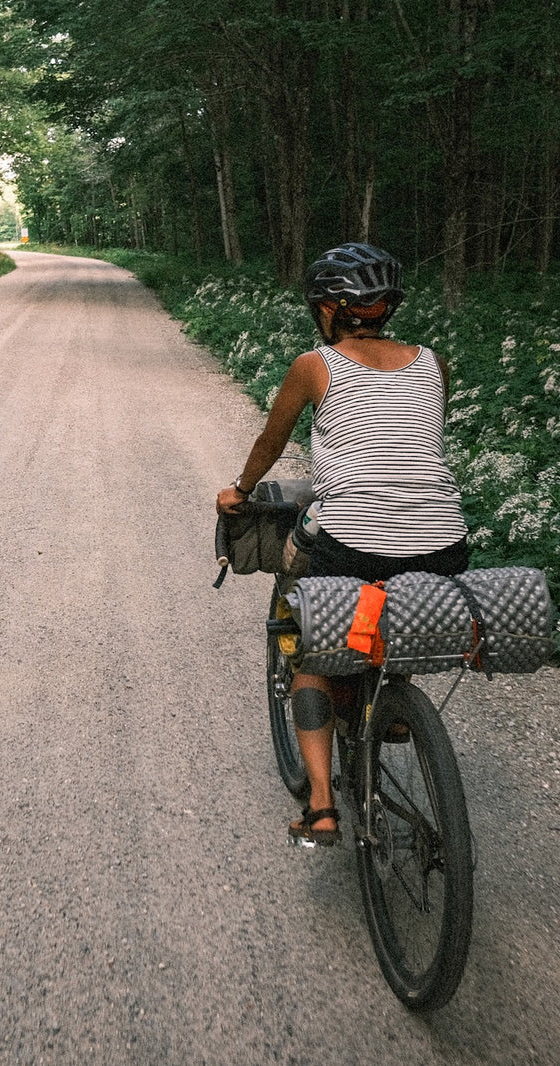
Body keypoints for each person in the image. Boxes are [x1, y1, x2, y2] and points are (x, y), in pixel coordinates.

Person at [216, 242, 469, 846]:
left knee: (308, 647)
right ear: (385, 308)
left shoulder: (315, 365)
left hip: (351, 538)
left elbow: (272, 441)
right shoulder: (434, 362)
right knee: (401, 590)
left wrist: (239, 490)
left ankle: (322, 806)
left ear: (330, 308)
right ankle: (394, 703)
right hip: (445, 541)